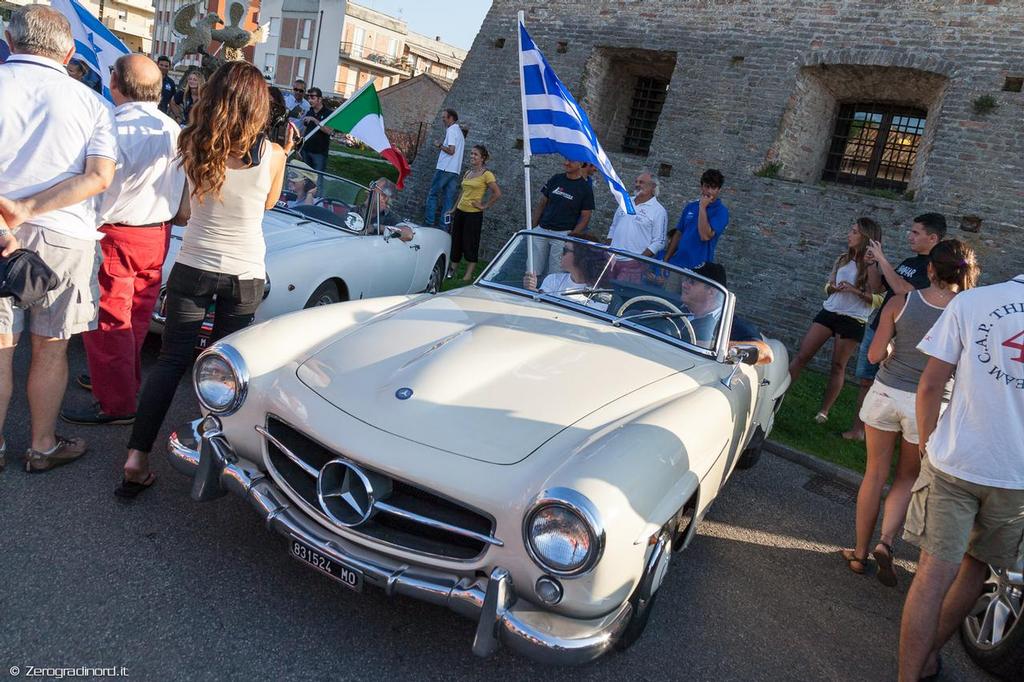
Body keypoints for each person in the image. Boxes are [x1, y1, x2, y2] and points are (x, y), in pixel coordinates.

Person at [117, 61, 290, 498]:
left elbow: (186, 209)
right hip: (244, 273)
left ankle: (136, 458)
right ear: (259, 105)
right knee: (229, 373)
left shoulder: (192, 143)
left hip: (193, 265)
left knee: (173, 361)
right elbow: (267, 204)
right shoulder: (274, 154)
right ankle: (216, 461)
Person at [0, 4, 116, 472]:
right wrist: (29, 209)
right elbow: (99, 176)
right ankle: (42, 445)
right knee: (51, 346)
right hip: (64, 236)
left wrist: (12, 213)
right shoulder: (92, 103)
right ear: (70, 53)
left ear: (9, 42)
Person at [897, 270, 1024, 682]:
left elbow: (931, 384)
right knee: (975, 567)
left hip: (955, 460)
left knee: (933, 572)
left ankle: (910, 673)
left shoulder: (972, 302)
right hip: (1016, 476)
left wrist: (927, 442)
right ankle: (929, 655)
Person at [839, 240, 978, 583]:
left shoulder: (902, 302)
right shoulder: (968, 312)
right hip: (928, 406)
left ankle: (858, 554)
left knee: (874, 474)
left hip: (886, 393)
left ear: (929, 269)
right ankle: (886, 542)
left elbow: (872, 356)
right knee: (905, 478)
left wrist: (888, 349)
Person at [60, 54, 188, 426]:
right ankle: (119, 382)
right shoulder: (172, 128)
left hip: (117, 233)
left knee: (109, 321)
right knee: (134, 318)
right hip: (156, 233)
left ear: (115, 83)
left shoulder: (110, 126)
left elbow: (93, 185)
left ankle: (117, 403)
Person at [842, 213, 947, 441]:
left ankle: (887, 434)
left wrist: (882, 259)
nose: (909, 236)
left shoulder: (933, 268)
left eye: (915, 232)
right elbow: (879, 287)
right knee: (866, 380)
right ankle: (859, 429)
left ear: (933, 238)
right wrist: (871, 264)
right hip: (880, 327)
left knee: (889, 385)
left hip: (901, 337)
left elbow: (903, 290)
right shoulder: (910, 262)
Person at [788, 217, 883, 423]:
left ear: (866, 237)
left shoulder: (874, 266)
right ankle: (778, 392)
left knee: (838, 366)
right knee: (803, 355)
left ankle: (824, 412)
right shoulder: (842, 258)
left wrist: (856, 289)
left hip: (853, 319)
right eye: (851, 230)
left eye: (855, 232)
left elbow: (877, 298)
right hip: (830, 311)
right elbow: (828, 286)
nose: (849, 235)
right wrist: (834, 288)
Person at [528, 159, 596, 279]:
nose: (566, 163)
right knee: (532, 269)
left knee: (556, 272)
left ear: (580, 164)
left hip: (562, 234)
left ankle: (549, 295)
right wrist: (533, 227)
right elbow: (542, 203)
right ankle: (528, 292)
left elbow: (586, 216)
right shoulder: (556, 178)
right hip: (542, 229)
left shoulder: (585, 188)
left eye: (571, 161)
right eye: (565, 160)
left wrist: (572, 235)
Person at [447, 145, 501, 281]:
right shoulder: (468, 173)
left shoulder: (486, 174)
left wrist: (484, 206)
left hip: (473, 214)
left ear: (482, 158)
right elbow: (463, 192)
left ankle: (468, 274)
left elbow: (497, 193)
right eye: (471, 154)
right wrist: (454, 209)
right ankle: (452, 270)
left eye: (475, 154)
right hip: (460, 212)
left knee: (470, 243)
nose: (472, 156)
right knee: (456, 241)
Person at [607, 171, 667, 282]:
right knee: (602, 293)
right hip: (611, 259)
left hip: (633, 265)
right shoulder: (625, 201)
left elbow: (659, 241)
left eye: (642, 182)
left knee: (621, 296)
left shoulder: (658, 211)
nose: (637, 184)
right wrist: (608, 250)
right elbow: (613, 227)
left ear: (653, 186)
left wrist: (638, 260)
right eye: (636, 181)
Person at [664, 169, 728, 269]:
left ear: (719, 190)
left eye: (713, 187)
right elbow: (679, 233)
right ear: (701, 187)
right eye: (707, 186)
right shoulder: (690, 207)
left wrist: (702, 207)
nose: (709, 191)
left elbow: (705, 236)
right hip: (676, 264)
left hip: (699, 269)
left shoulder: (721, 211)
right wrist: (666, 260)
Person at [523, 239, 609, 311]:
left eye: (565, 250)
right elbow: (540, 307)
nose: (560, 254)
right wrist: (531, 290)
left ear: (580, 256)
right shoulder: (553, 279)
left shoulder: (600, 293)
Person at [423, 108, 465, 227]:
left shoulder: (451, 130)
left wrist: (439, 145)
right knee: (448, 200)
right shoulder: (460, 133)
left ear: (451, 118)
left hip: (445, 168)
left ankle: (428, 224)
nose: (443, 120)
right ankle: (444, 227)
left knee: (433, 194)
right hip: (455, 170)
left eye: (444, 117)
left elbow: (451, 151)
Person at [680, 262, 727, 346]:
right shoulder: (673, 308)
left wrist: (714, 345)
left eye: (692, 282)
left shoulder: (728, 323)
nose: (684, 285)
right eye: (686, 279)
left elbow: (757, 346)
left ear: (711, 291)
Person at [299, 87, 333, 173]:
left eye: (313, 97)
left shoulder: (328, 113)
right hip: (306, 150)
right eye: (309, 97)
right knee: (305, 179)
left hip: (319, 153)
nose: (310, 100)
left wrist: (314, 120)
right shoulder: (309, 111)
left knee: (318, 180)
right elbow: (305, 130)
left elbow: (329, 131)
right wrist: (299, 147)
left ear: (320, 99)